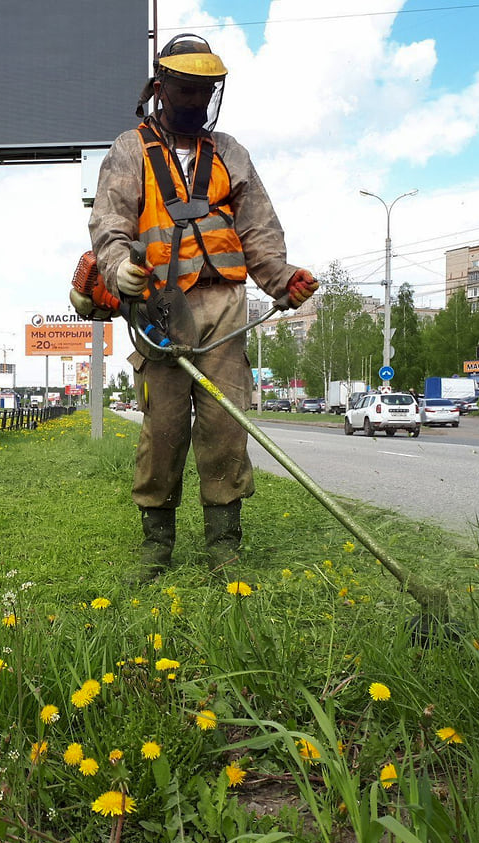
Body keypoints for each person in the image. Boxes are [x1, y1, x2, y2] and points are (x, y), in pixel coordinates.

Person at [87, 34, 317, 578]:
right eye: (186, 89)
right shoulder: (129, 149)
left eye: (204, 91)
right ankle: (156, 548)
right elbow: (109, 222)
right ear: (161, 88)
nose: (195, 101)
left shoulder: (231, 152)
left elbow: (259, 230)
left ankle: (224, 548)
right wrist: (120, 267)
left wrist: (283, 281)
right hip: (160, 309)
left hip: (225, 307)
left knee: (223, 427)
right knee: (162, 429)